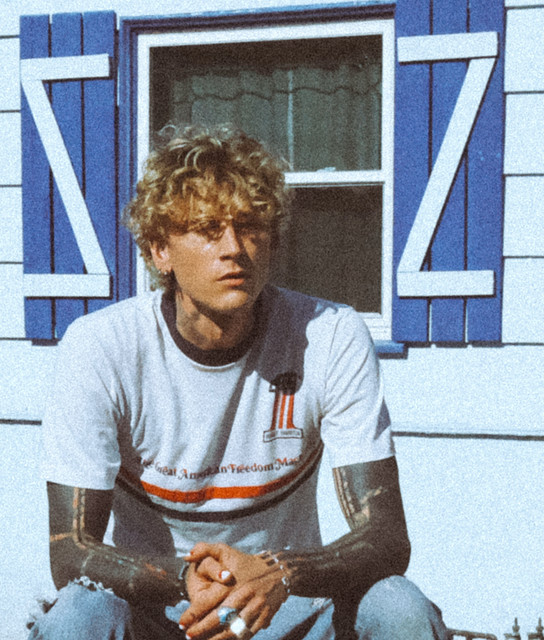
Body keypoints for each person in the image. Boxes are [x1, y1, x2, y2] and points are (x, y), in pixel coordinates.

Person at [28, 125, 449, 640]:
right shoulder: (101, 346)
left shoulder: (330, 334)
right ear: (160, 250)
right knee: (79, 614)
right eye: (208, 228)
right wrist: (183, 579)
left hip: (287, 607)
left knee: (399, 607)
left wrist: (280, 572)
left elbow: (386, 537)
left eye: (250, 226)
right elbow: (69, 550)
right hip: (159, 612)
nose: (234, 248)